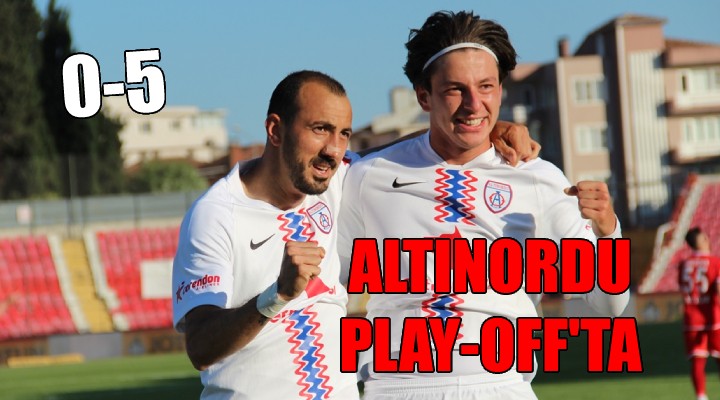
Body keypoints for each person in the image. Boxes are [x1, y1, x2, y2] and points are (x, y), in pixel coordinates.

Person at [172, 70, 538, 399]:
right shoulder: (216, 215)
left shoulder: (336, 179)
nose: (333, 150)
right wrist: (277, 294)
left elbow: (400, 151)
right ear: (275, 130)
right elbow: (200, 348)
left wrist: (484, 131)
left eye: (343, 134)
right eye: (320, 129)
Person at [337, 10, 630, 400]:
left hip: (502, 387)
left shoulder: (540, 178)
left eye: (486, 86)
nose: (474, 104)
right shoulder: (366, 177)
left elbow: (608, 305)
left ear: (501, 91)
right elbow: (330, 288)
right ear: (424, 96)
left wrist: (608, 232)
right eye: (455, 89)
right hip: (397, 388)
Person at [679, 227, 720, 400]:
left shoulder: (683, 265)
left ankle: (701, 396)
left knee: (697, 359)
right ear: (701, 241)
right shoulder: (715, 262)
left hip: (692, 318)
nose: (708, 240)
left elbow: (683, 288)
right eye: (705, 237)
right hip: (713, 316)